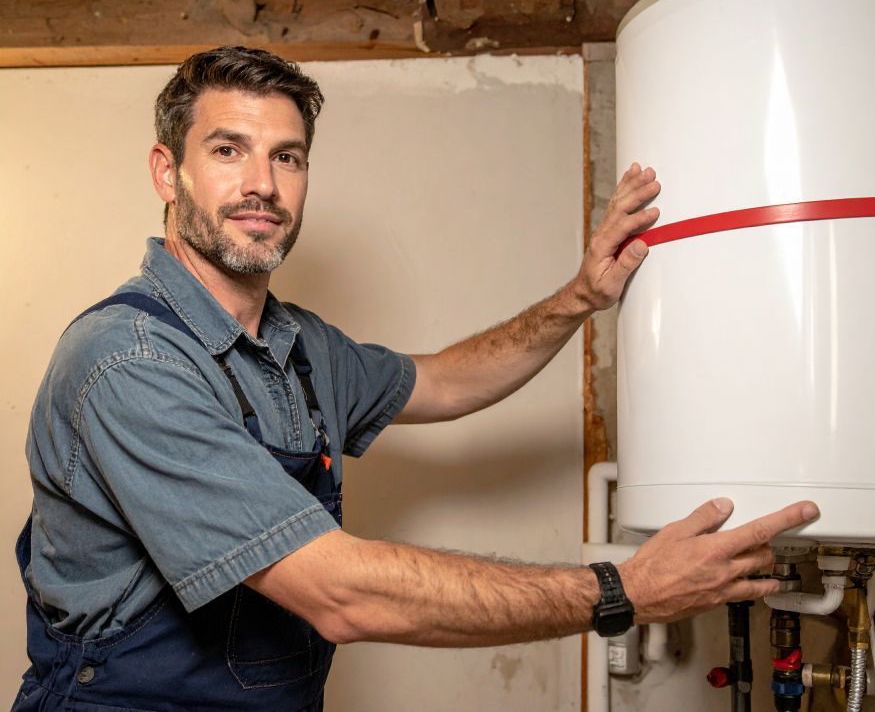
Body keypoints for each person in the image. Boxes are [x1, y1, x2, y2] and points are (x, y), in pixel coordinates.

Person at [14, 46, 818, 711]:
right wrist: (623, 590)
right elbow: (340, 594)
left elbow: (444, 383)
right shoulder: (129, 362)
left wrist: (581, 297)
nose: (262, 182)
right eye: (228, 150)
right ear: (168, 171)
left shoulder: (301, 347)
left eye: (286, 157)